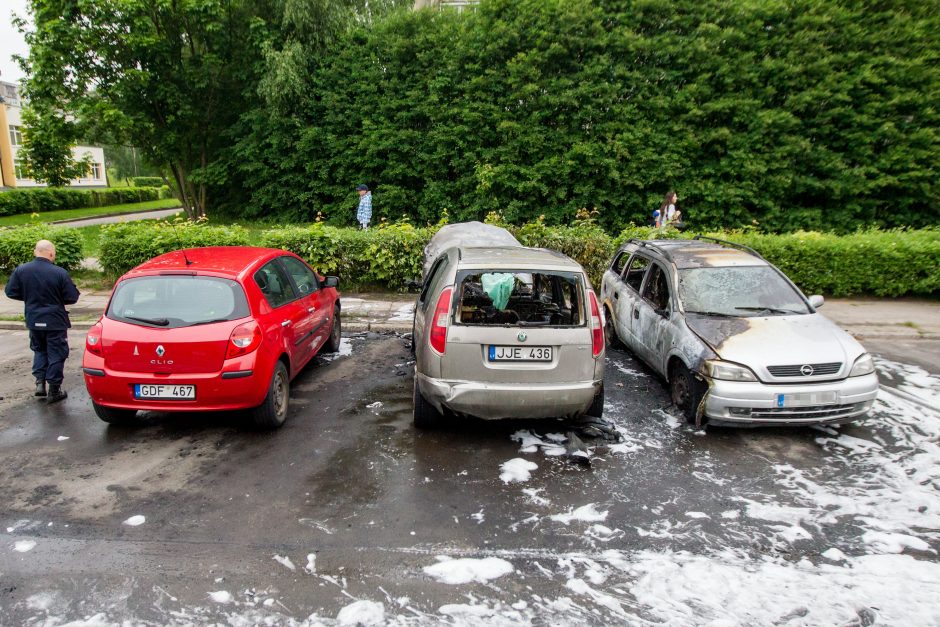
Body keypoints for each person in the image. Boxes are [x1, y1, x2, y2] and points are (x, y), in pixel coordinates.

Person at [4, 240, 80, 403]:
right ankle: (54, 389)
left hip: (33, 318)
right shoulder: (59, 273)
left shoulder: (21, 270)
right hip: (55, 320)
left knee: (39, 350)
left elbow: (10, 292)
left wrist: (29, 298)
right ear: (51, 254)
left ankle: (40, 385)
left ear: (35, 252)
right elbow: (72, 297)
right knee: (57, 353)